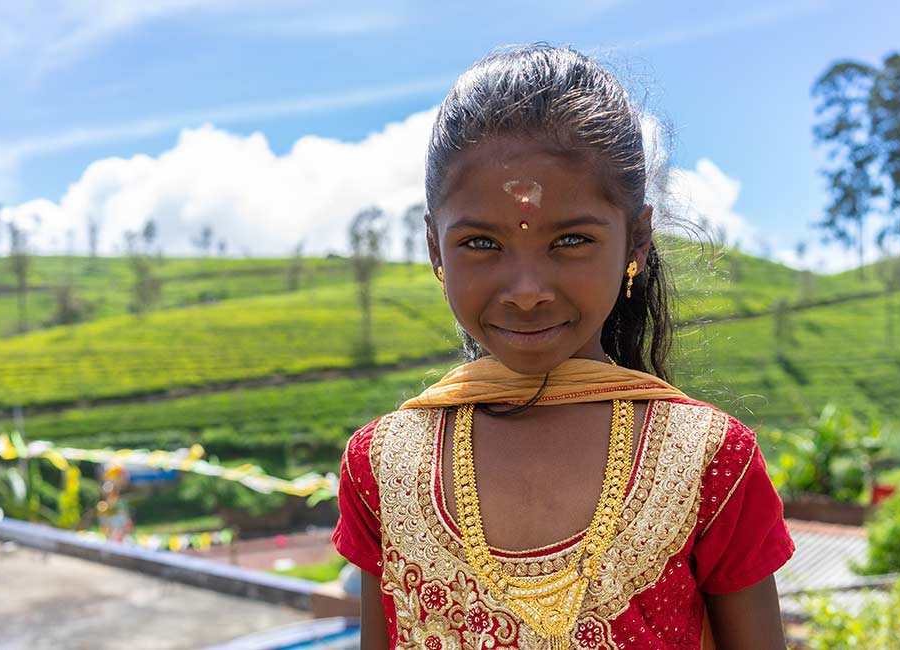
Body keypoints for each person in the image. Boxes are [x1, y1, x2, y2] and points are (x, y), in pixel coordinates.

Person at [333, 44, 795, 650]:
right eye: (481, 243)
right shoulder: (384, 466)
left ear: (636, 239)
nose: (527, 293)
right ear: (433, 246)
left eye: (571, 239)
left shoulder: (710, 461)